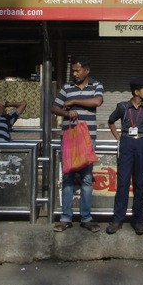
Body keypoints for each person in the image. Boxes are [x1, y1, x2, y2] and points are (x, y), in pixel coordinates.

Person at [50, 56, 103, 233]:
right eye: (73, 70)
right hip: (69, 137)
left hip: (88, 138)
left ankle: (86, 218)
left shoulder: (96, 85)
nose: (74, 73)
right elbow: (55, 107)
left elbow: (97, 102)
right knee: (68, 177)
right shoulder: (67, 87)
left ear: (87, 71)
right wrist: (66, 113)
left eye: (77, 70)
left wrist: (73, 102)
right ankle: (66, 218)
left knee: (87, 178)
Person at [106, 77, 143, 236]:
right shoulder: (123, 107)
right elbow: (110, 121)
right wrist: (118, 137)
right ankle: (117, 220)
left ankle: (138, 220)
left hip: (142, 144)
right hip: (126, 144)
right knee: (122, 182)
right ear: (137, 92)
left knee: (139, 183)